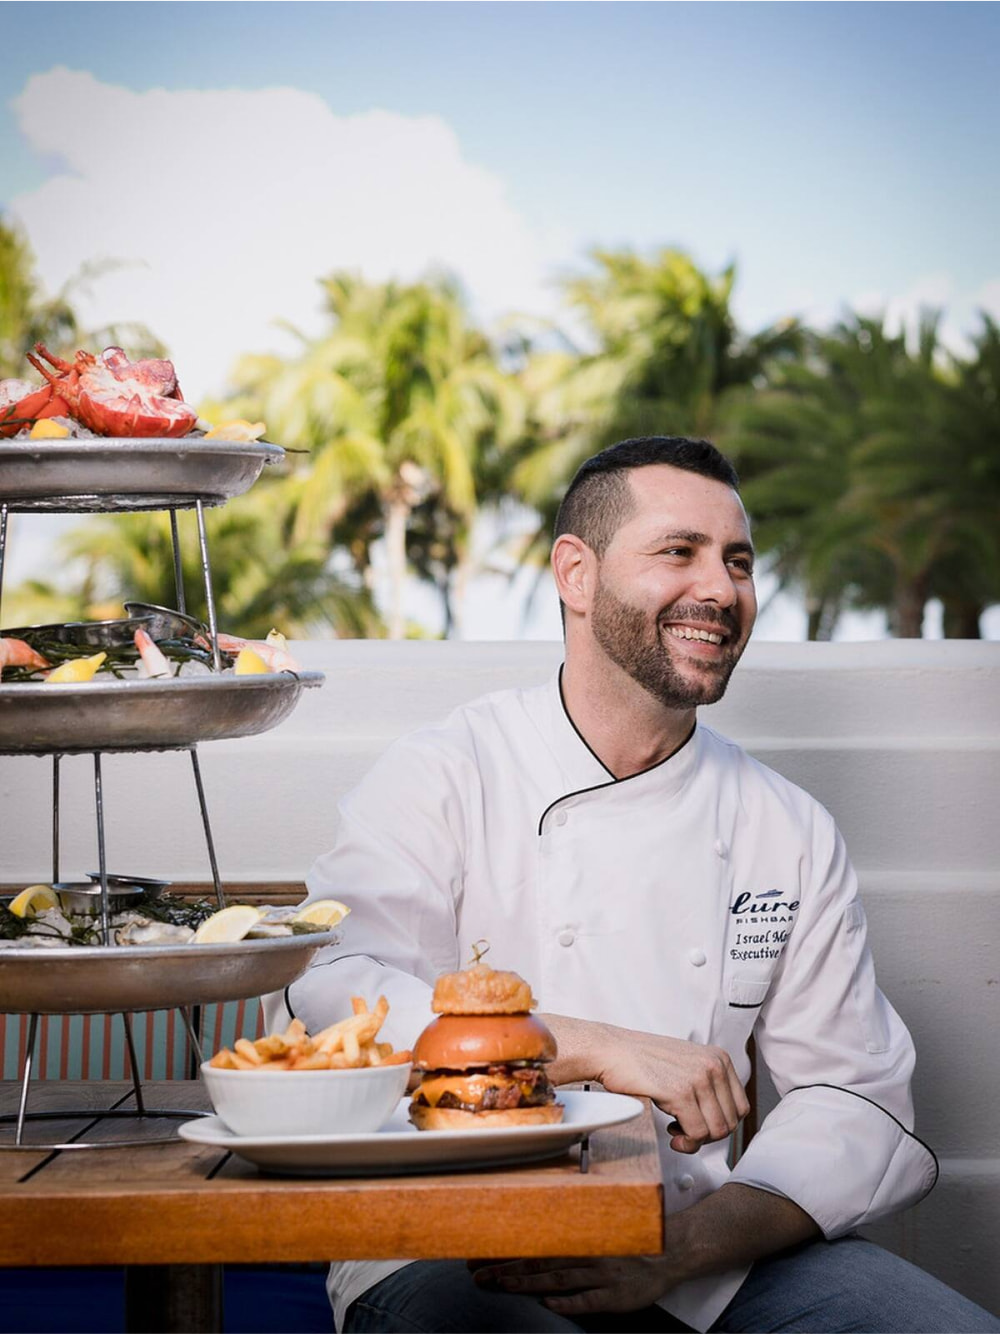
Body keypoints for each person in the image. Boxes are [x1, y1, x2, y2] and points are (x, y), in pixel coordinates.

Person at [266, 437, 999, 1333]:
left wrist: (683, 1248)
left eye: (738, 562)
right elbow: (336, 993)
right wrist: (590, 1045)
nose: (722, 590)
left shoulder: (787, 827)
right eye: (677, 551)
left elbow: (851, 1099)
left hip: (696, 1250)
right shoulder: (444, 774)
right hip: (451, 1239)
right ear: (576, 573)